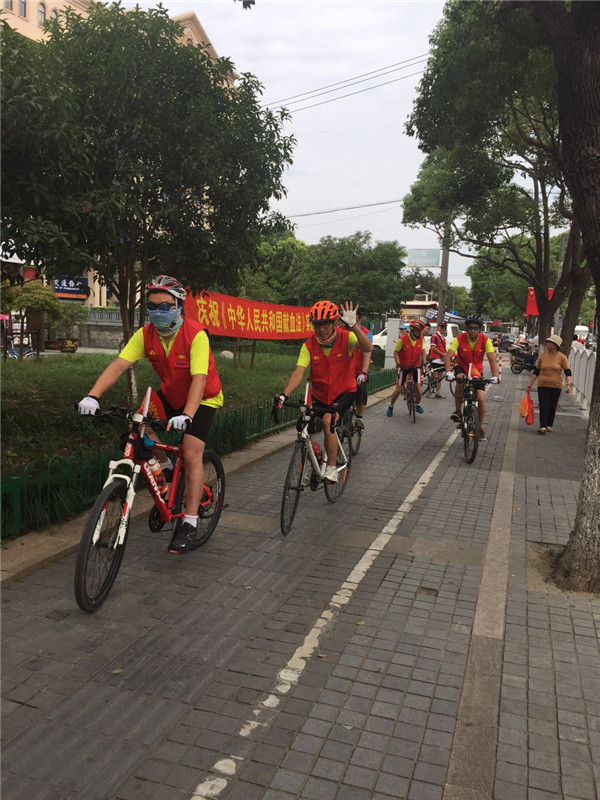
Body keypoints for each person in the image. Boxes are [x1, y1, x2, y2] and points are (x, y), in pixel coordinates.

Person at [77, 275, 223, 552]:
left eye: (165, 306)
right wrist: (92, 396)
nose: (158, 311)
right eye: (152, 306)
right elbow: (119, 365)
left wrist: (187, 415)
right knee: (138, 426)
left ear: (179, 306)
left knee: (191, 453)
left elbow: (199, 379)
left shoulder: (196, 335)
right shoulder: (146, 335)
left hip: (203, 398)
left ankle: (190, 522)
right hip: (171, 395)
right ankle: (165, 467)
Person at [275, 300, 372, 483]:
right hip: (320, 394)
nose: (320, 329)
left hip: (344, 391)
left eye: (325, 324)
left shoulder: (347, 337)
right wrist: (284, 394)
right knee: (302, 430)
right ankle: (316, 459)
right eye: (316, 325)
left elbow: (367, 347)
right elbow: (299, 372)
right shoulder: (308, 345)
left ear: (335, 323)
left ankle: (331, 468)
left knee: (328, 421)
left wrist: (354, 327)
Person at [444, 314, 499, 441]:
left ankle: (479, 427)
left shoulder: (486, 340)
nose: (472, 331)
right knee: (460, 380)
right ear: (466, 329)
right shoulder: (459, 339)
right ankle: (458, 410)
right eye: (469, 328)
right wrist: (448, 371)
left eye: (475, 328)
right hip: (461, 367)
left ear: (480, 329)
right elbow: (448, 356)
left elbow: (492, 359)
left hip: (476, 371)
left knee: (481, 398)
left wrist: (495, 375)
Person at [525, 334, 572, 434]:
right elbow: (536, 371)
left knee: (552, 406)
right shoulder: (542, 356)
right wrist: (530, 384)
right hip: (542, 385)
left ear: (555, 345)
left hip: (556, 386)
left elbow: (568, 372)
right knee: (543, 405)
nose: (547, 344)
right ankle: (542, 427)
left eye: (550, 342)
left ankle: (549, 424)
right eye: (547, 342)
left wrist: (568, 385)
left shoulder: (562, 357)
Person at [386, 319, 428, 416]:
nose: (419, 333)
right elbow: (396, 352)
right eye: (417, 331)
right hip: (404, 367)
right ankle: (391, 406)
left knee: (418, 387)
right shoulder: (403, 339)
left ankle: (418, 404)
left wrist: (424, 362)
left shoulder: (421, 339)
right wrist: (398, 363)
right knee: (399, 388)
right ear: (412, 330)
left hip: (415, 366)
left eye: (420, 331)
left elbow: (423, 352)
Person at [349, 307, 373, 429]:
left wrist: (363, 373)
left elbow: (367, 354)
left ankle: (359, 418)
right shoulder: (340, 330)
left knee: (361, 390)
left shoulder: (366, 333)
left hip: (359, 370)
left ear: (359, 319)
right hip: (344, 371)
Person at [428, 321, 448, 399]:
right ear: (439, 327)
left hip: (441, 360)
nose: (443, 329)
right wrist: (442, 354)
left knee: (440, 376)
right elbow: (433, 348)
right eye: (442, 327)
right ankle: (430, 391)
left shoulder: (443, 337)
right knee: (434, 376)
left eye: (445, 328)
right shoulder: (435, 336)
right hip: (435, 359)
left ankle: (437, 392)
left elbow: (443, 348)